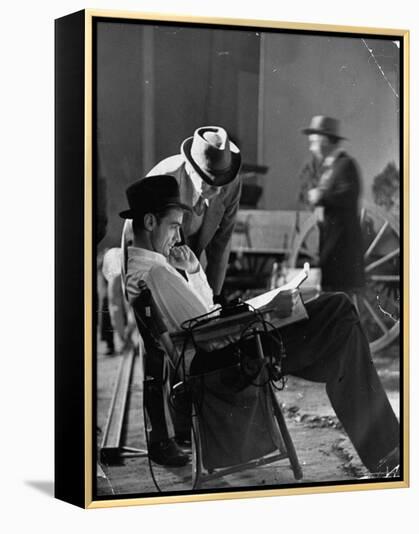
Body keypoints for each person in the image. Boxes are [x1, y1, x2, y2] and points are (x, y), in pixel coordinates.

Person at [122, 175, 400, 477]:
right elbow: (207, 330)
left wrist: (193, 272)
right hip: (230, 358)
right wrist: (259, 312)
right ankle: (387, 452)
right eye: (174, 226)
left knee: (343, 341)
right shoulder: (157, 274)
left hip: (226, 351)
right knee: (340, 310)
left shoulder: (146, 269)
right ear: (150, 222)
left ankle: (387, 453)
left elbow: (203, 320)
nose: (177, 237)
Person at [123, 125, 242, 299]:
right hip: (155, 261)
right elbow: (140, 245)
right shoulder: (164, 180)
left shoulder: (231, 183)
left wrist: (214, 298)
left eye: (221, 183)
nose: (217, 191)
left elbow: (221, 244)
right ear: (190, 169)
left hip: (190, 260)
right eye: (208, 181)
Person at [299, 116, 365, 294]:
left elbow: (348, 195)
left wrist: (321, 195)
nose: (311, 147)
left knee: (339, 296)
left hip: (342, 248)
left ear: (326, 140)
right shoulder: (331, 167)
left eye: (313, 142)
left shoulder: (345, 165)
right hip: (332, 247)